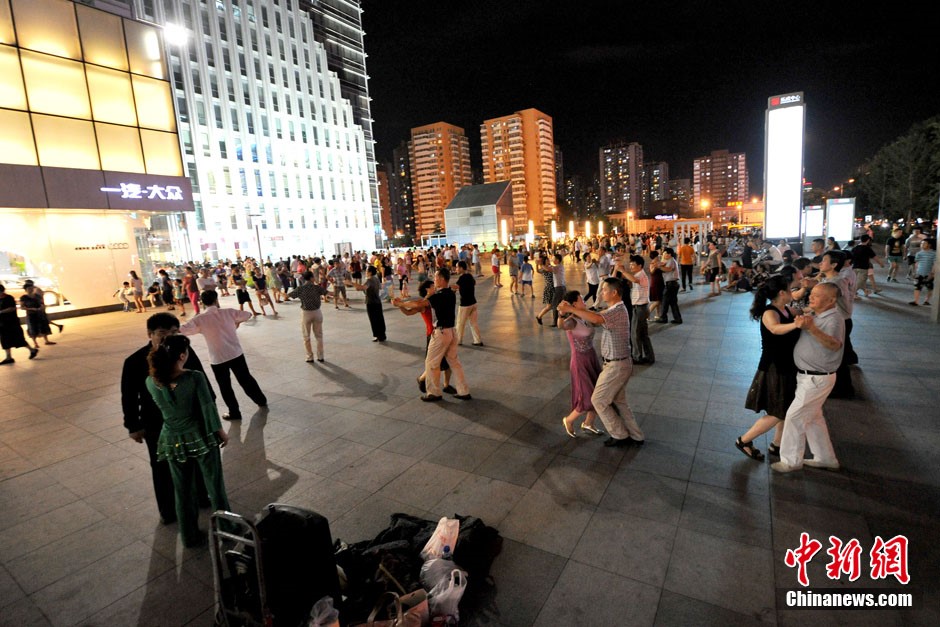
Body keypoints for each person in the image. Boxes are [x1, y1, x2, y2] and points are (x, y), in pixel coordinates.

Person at [122, 312, 214, 525]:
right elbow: (129, 396)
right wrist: (133, 426)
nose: (168, 338)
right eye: (162, 333)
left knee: (197, 457)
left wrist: (208, 416)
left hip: (190, 419)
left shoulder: (184, 353)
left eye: (173, 332)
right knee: (161, 466)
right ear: (150, 334)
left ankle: (202, 496)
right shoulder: (134, 362)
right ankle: (168, 509)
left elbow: (203, 384)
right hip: (156, 424)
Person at [146, 334, 230, 547]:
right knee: (214, 485)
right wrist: (220, 432)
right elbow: (207, 407)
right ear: (182, 356)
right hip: (200, 436)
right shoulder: (194, 377)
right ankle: (227, 527)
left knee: (182, 490)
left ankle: (188, 535)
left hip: (171, 439)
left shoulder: (151, 382)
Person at [558, 278, 643, 447]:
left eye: (604, 290)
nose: (601, 292)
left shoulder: (616, 311)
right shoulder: (614, 309)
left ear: (614, 293)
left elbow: (597, 320)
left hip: (617, 365)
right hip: (616, 363)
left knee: (598, 400)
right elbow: (590, 318)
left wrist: (570, 308)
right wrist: (566, 312)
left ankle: (620, 435)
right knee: (619, 401)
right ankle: (636, 435)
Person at [772, 282, 844, 473]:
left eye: (817, 296)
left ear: (831, 300)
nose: (811, 297)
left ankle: (791, 461)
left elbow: (834, 344)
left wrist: (812, 328)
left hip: (817, 378)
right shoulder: (817, 315)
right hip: (808, 376)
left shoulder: (834, 319)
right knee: (813, 419)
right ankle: (825, 458)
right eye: (812, 294)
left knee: (794, 417)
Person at [735, 276, 800, 461]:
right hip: (774, 366)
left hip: (786, 365)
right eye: (790, 289)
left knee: (784, 407)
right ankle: (744, 440)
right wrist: (796, 324)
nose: (792, 293)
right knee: (779, 410)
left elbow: (801, 312)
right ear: (782, 293)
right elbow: (775, 329)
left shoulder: (785, 309)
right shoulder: (770, 312)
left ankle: (777, 444)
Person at [180, 290, 267, 421]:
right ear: (216, 300)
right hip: (235, 353)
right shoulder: (228, 312)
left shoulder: (199, 319)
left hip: (217, 358)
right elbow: (247, 314)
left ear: (202, 302)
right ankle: (260, 400)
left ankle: (234, 412)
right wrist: (235, 323)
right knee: (245, 379)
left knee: (225, 386)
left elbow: (182, 330)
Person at [414, 268, 471, 402]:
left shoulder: (437, 296)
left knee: (431, 363)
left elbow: (420, 304)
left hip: (441, 333)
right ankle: (463, 391)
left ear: (441, 279)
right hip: (452, 331)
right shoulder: (450, 293)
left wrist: (428, 295)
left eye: (435, 277)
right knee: (454, 363)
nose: (434, 280)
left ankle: (434, 392)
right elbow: (452, 288)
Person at [392, 280, 455, 395]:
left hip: (443, 332)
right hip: (432, 335)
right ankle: (422, 379)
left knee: (447, 362)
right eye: (432, 286)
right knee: (434, 363)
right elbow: (408, 312)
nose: (435, 287)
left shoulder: (437, 298)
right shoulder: (423, 303)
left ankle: (446, 385)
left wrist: (400, 304)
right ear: (427, 289)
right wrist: (400, 305)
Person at [559, 290, 603, 438]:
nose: (584, 302)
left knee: (599, 393)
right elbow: (561, 325)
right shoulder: (571, 321)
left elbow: (598, 319)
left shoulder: (585, 316)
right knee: (587, 396)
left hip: (591, 357)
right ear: (573, 304)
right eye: (581, 300)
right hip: (580, 362)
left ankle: (589, 423)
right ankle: (569, 420)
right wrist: (561, 314)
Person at [616, 255, 655, 365]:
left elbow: (634, 280)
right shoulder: (638, 275)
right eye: (630, 264)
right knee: (643, 334)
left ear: (640, 266)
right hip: (641, 307)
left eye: (633, 265)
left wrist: (622, 270)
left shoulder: (641, 275)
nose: (631, 266)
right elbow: (631, 280)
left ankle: (637, 357)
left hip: (640, 308)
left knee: (635, 334)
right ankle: (649, 357)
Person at [289, 270, 329, 362]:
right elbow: (329, 293)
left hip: (306, 313)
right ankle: (320, 356)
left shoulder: (300, 289)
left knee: (306, 336)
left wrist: (278, 292)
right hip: (317, 312)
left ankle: (309, 356)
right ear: (311, 278)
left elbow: (288, 296)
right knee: (319, 336)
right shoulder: (317, 287)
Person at [0, 284, 39, 364]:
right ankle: (8, 357)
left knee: (18, 339)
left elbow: (12, 308)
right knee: (4, 340)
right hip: (2, 323)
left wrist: (1, 312)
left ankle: (32, 350)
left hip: (12, 322)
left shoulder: (9, 298)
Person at [354, 266, 387, 342]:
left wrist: (351, 283)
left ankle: (377, 335)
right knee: (380, 319)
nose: (365, 272)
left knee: (373, 319)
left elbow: (362, 287)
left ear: (370, 272)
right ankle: (382, 335)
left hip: (371, 302)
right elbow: (380, 287)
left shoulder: (369, 280)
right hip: (378, 302)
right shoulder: (376, 279)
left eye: (366, 271)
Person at [454, 261, 483, 346]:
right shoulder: (469, 276)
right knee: (473, 323)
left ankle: (458, 340)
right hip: (473, 303)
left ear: (461, 268)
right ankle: (477, 340)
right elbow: (474, 283)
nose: (456, 269)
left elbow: (456, 287)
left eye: (457, 267)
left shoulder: (462, 278)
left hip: (465, 304)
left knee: (460, 323)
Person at [19, 283, 56, 348]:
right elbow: (22, 307)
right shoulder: (24, 297)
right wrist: (31, 309)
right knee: (33, 328)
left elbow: (42, 303)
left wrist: (42, 307)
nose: (31, 289)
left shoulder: (37, 296)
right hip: (31, 314)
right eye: (29, 288)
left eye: (31, 288)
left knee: (43, 326)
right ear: (25, 290)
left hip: (39, 313)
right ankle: (35, 343)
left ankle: (46, 340)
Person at [654, 248, 682, 324]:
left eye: (666, 253)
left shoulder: (671, 261)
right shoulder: (669, 260)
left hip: (671, 284)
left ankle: (663, 318)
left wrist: (659, 267)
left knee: (665, 301)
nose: (664, 255)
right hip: (672, 284)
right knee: (673, 302)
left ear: (670, 254)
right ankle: (678, 319)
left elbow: (669, 269)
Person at [910, 238, 936, 306]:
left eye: (924, 243)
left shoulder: (934, 253)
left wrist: (932, 273)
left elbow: (935, 264)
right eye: (921, 243)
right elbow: (916, 263)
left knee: (930, 288)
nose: (922, 245)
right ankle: (916, 301)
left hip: (929, 273)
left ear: (929, 245)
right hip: (919, 273)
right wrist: (915, 272)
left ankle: (927, 300)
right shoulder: (919, 253)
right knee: (917, 286)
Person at [535, 254, 556, 326]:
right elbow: (538, 270)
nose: (548, 261)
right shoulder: (544, 268)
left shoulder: (550, 267)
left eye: (548, 260)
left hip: (554, 287)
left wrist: (539, 264)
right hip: (549, 288)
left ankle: (556, 319)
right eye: (547, 260)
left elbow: (545, 269)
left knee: (555, 305)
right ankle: (539, 316)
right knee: (549, 306)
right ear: (544, 262)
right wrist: (538, 264)